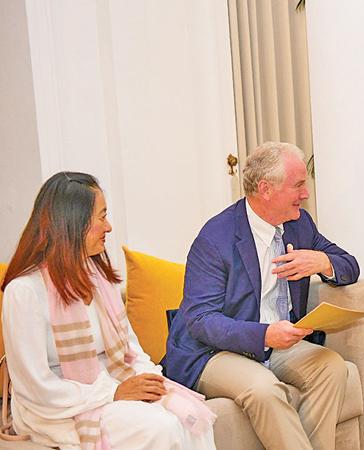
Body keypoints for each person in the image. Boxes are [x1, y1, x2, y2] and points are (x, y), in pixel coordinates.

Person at [163, 142, 360, 450]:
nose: (305, 194)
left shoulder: (299, 224)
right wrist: (265, 335)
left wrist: (323, 262)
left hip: (277, 343)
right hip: (213, 352)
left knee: (331, 367)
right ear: (266, 189)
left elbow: (350, 266)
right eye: (298, 185)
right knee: (264, 389)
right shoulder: (215, 239)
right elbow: (201, 321)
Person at [1, 172, 216, 450]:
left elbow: (132, 348)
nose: (109, 226)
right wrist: (114, 392)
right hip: (56, 407)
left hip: (113, 384)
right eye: (102, 217)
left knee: (191, 417)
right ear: (73, 223)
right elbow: (35, 388)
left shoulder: (98, 278)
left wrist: (148, 380)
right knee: (160, 427)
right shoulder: (25, 292)